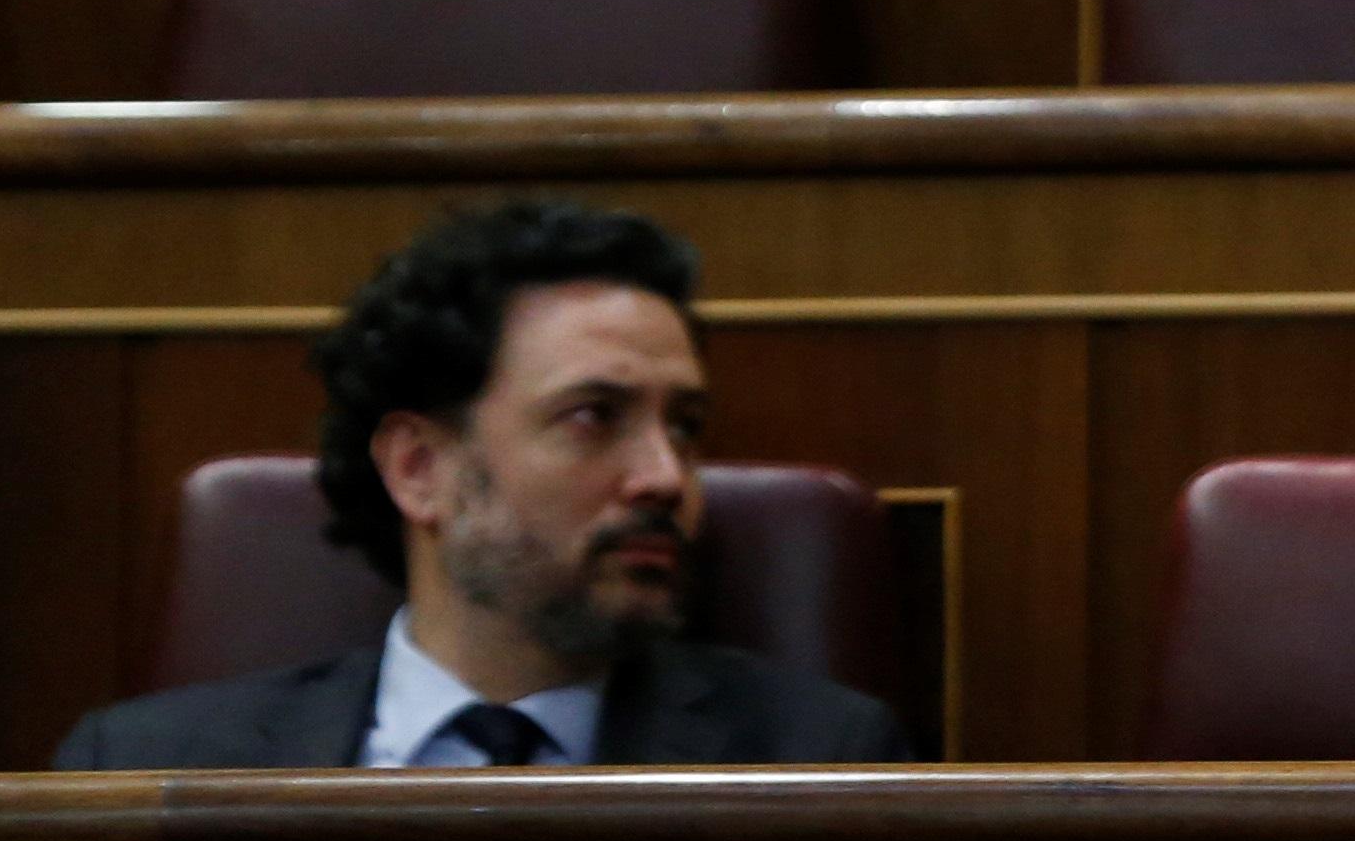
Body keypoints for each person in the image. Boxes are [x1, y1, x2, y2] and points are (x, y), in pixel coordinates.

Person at [53, 196, 908, 769]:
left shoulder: (819, 757)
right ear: (421, 470)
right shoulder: (148, 769)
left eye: (683, 427)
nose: (666, 477)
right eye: (593, 417)